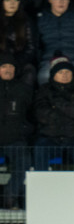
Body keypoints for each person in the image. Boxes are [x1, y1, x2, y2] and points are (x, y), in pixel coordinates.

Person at [34, 54, 74, 171]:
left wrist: (56, 104)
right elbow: (41, 114)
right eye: (60, 72)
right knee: (39, 147)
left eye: (67, 72)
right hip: (50, 136)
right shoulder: (44, 90)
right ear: (53, 75)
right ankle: (40, 186)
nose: (64, 75)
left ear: (73, 74)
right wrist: (67, 111)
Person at [0, 53, 32, 208]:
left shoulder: (23, 89)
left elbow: (31, 115)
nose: (8, 69)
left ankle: (9, 196)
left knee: (24, 162)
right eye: (4, 66)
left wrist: (25, 130)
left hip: (15, 139)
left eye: (11, 66)